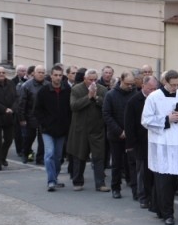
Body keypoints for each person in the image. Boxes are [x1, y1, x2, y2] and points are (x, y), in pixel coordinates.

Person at [141, 70, 178, 225]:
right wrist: (167, 119)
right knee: (162, 178)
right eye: (173, 85)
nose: (175, 88)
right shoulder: (154, 97)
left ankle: (158, 208)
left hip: (176, 141)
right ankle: (168, 214)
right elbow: (146, 120)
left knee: (171, 179)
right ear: (165, 82)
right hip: (160, 141)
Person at [66, 69, 110, 192]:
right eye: (90, 80)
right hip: (81, 129)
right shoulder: (76, 89)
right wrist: (88, 97)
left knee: (98, 157)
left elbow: (106, 106)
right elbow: (74, 106)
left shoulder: (102, 89)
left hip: (97, 129)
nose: (93, 82)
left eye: (95, 79)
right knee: (79, 156)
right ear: (85, 79)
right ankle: (77, 181)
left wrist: (95, 97)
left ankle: (100, 184)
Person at [35, 65, 72, 192]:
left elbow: (70, 110)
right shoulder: (44, 91)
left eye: (60, 75)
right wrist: (44, 123)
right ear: (51, 76)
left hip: (61, 129)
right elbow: (37, 110)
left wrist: (67, 124)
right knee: (49, 154)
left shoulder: (67, 91)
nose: (57, 78)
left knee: (57, 157)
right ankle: (50, 181)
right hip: (47, 130)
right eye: (55, 75)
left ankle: (54, 178)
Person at [124, 75, 158, 209]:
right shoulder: (134, 101)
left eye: (155, 88)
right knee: (142, 170)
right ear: (143, 86)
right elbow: (129, 124)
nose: (153, 91)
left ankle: (154, 195)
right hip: (140, 142)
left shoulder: (158, 99)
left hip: (155, 140)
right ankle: (143, 196)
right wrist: (131, 144)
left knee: (154, 170)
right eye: (150, 89)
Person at [102, 70, 138, 199]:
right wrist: (119, 131)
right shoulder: (111, 95)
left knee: (132, 163)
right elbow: (107, 115)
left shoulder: (134, 94)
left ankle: (135, 189)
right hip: (115, 135)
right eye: (128, 83)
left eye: (132, 84)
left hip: (131, 136)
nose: (130, 86)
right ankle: (115, 188)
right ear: (121, 81)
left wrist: (130, 132)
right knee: (117, 164)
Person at [18, 65, 48, 165]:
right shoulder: (27, 85)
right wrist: (22, 118)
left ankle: (40, 158)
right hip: (30, 116)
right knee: (29, 138)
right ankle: (25, 154)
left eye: (43, 72)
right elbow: (22, 103)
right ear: (34, 73)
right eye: (39, 72)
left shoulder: (48, 85)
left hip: (43, 117)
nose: (41, 74)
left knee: (42, 139)